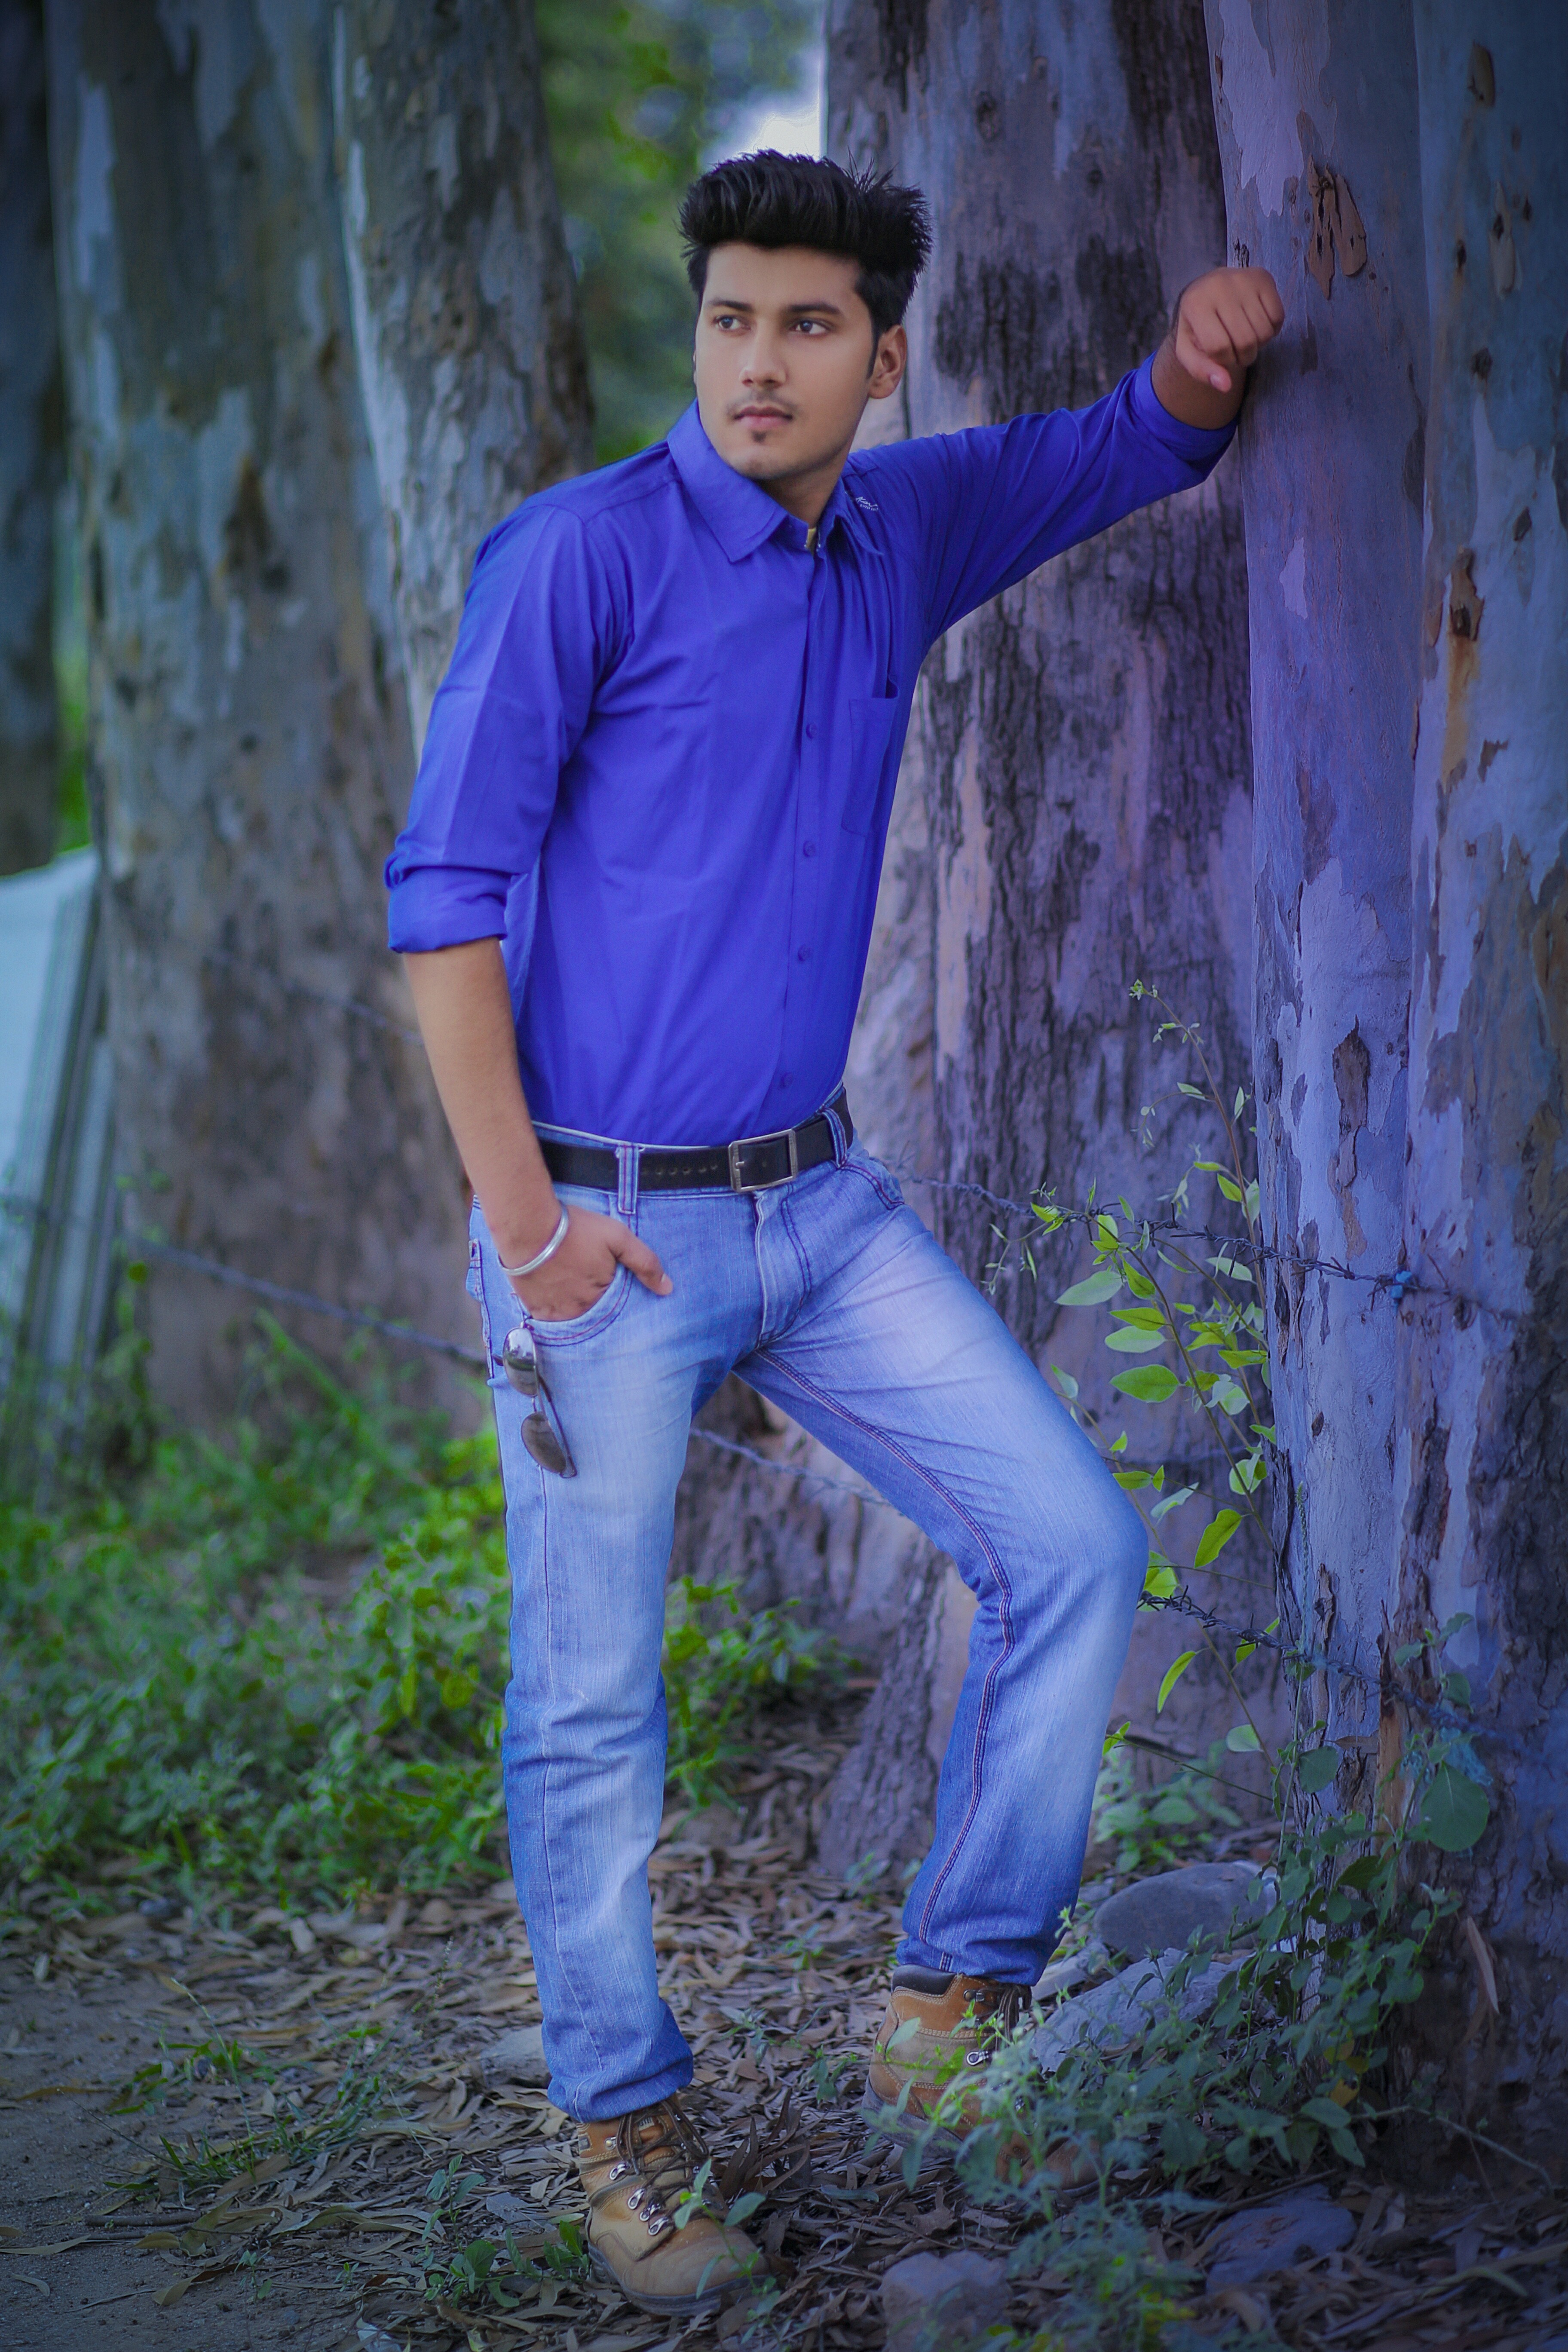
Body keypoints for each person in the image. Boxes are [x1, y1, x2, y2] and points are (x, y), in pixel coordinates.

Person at [387, 150, 1284, 2318]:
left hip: (818, 1205)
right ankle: (624, 2128)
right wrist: (527, 1232)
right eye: (731, 319)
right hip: (600, 1235)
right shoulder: (581, 557)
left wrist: (1203, 360)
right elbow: (444, 908)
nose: (759, 363)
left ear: (884, 356)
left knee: (1073, 1544)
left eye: (808, 325)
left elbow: (1123, 448)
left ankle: (949, 2016)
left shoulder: (897, 533)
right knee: (591, 1706)